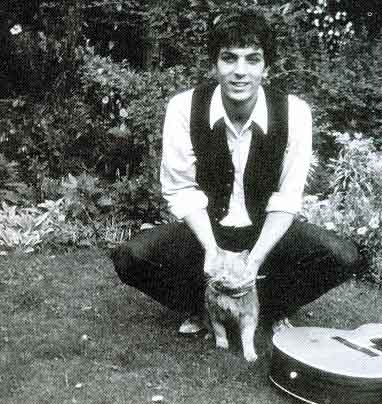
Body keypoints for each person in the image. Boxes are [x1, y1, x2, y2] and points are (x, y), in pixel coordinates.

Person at [111, 8, 361, 335]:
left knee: (343, 256)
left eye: (252, 59)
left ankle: (272, 308)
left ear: (266, 67)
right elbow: (181, 189)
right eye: (229, 58)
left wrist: (254, 260)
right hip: (207, 229)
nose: (239, 71)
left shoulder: (295, 113)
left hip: (264, 230)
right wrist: (212, 249)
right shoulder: (184, 107)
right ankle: (201, 306)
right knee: (131, 257)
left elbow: (287, 198)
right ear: (214, 64)